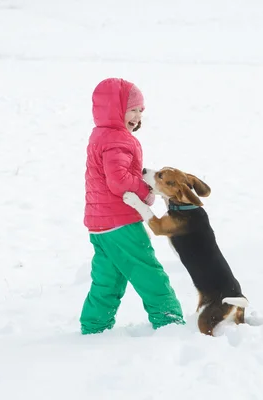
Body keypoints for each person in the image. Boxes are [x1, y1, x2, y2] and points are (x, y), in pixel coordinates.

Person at [79, 77, 185, 335]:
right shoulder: (117, 140)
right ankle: (169, 319)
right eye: (132, 109)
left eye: (140, 111)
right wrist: (147, 192)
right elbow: (119, 181)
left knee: (108, 278)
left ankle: (94, 325)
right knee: (147, 271)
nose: (138, 116)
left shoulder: (100, 135)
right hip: (121, 222)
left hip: (99, 224)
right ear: (114, 109)